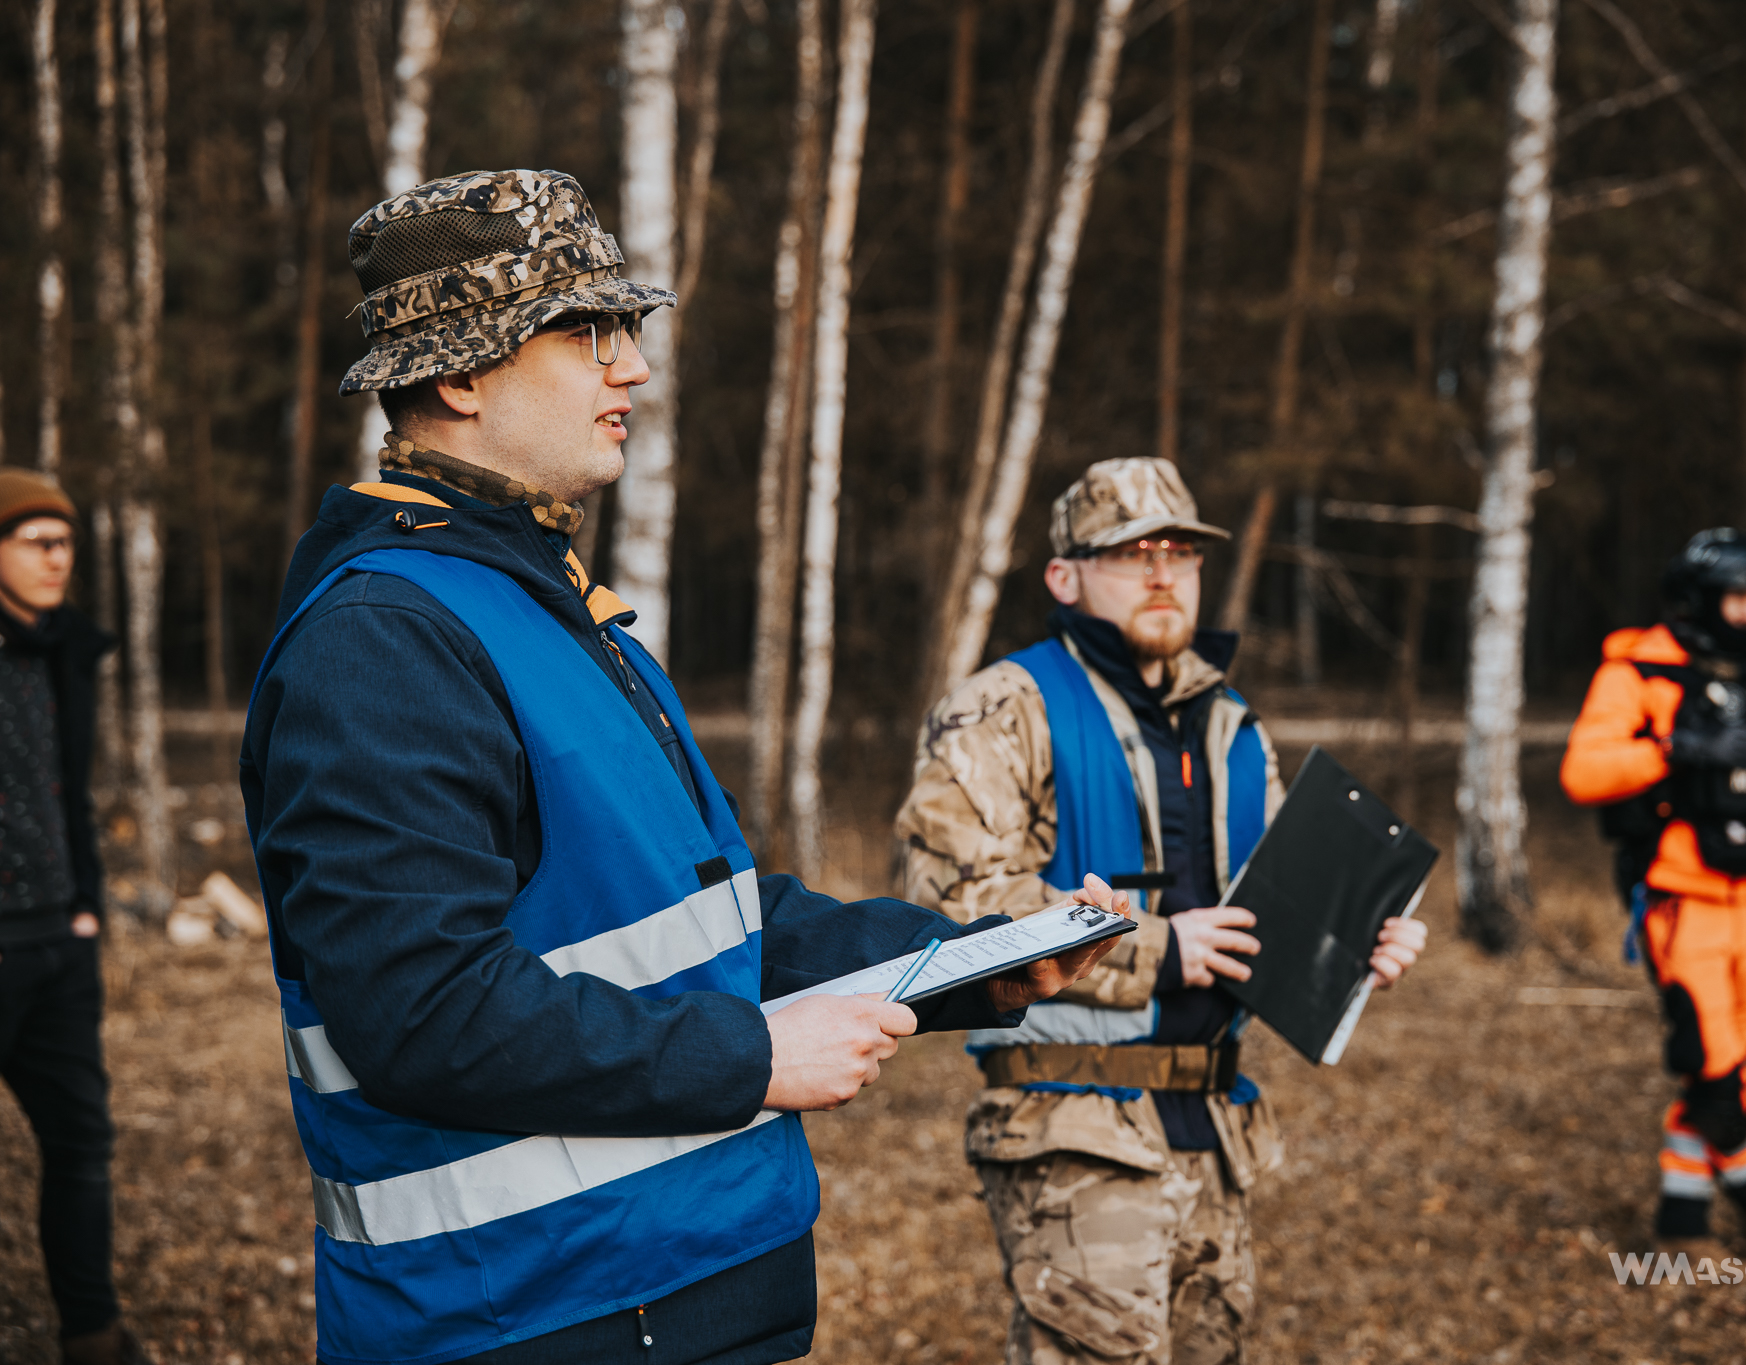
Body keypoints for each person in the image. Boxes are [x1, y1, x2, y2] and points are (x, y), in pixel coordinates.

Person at [243, 168, 1124, 1365]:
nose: (633, 369)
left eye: (629, 331)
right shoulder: (382, 645)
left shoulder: (551, 610)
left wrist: (975, 967)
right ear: (458, 374)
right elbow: (423, 1012)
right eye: (586, 333)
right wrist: (751, 1056)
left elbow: (709, 921)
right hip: (533, 1314)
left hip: (684, 1281)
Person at [895, 458, 1428, 1365]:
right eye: (1130, 551)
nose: (1161, 573)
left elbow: (1266, 907)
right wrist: (1156, 946)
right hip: (1071, 1129)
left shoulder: (1233, 725)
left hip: (1220, 1133)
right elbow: (949, 905)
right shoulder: (999, 708)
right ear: (1065, 577)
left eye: (1180, 552)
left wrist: (1349, 944)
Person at [1560, 528, 1746, 1256]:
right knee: (1713, 1061)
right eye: (1735, 597)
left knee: (1734, 1062)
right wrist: (1676, 750)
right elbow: (1584, 771)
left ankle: (1682, 1221)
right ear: (1699, 596)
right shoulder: (1636, 669)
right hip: (1680, 899)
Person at [0, 471, 144, 1365]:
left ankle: (91, 1333)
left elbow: (71, 792)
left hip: (58, 938)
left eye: (67, 543)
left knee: (82, 1141)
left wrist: (88, 905)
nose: (60, 560)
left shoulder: (64, 652)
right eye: (38, 541)